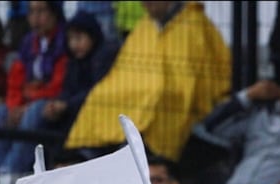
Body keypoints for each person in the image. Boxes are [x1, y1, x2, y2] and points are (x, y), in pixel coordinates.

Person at [64, 0, 230, 162]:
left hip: (178, 98)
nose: (146, 3)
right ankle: (89, 153)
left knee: (158, 99)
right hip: (139, 92)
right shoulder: (145, 26)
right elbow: (123, 70)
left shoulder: (194, 23)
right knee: (100, 94)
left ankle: (133, 153)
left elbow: (201, 74)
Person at [0, 0, 67, 180]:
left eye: (41, 11)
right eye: (31, 11)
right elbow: (15, 79)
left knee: (34, 113)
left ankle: (10, 174)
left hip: (46, 103)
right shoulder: (28, 42)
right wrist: (14, 106)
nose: (36, 18)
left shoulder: (64, 40)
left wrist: (28, 103)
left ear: (54, 13)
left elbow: (58, 85)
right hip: (26, 102)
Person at [39, 10, 117, 135]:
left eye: (79, 38)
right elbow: (67, 90)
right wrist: (56, 104)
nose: (74, 44)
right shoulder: (73, 62)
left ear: (92, 36)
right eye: (70, 39)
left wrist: (66, 105)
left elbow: (95, 91)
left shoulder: (102, 59)